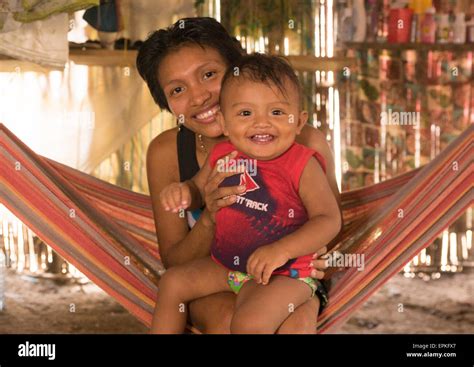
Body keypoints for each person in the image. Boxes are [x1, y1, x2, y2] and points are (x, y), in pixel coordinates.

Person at [136, 17, 342, 334]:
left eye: (208, 75)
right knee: (204, 304)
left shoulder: (303, 147)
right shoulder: (180, 154)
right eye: (178, 89)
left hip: (285, 273)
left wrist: (293, 264)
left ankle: (303, 306)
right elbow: (177, 258)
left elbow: (330, 232)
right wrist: (200, 208)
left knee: (265, 320)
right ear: (166, 104)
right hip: (225, 268)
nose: (199, 96)